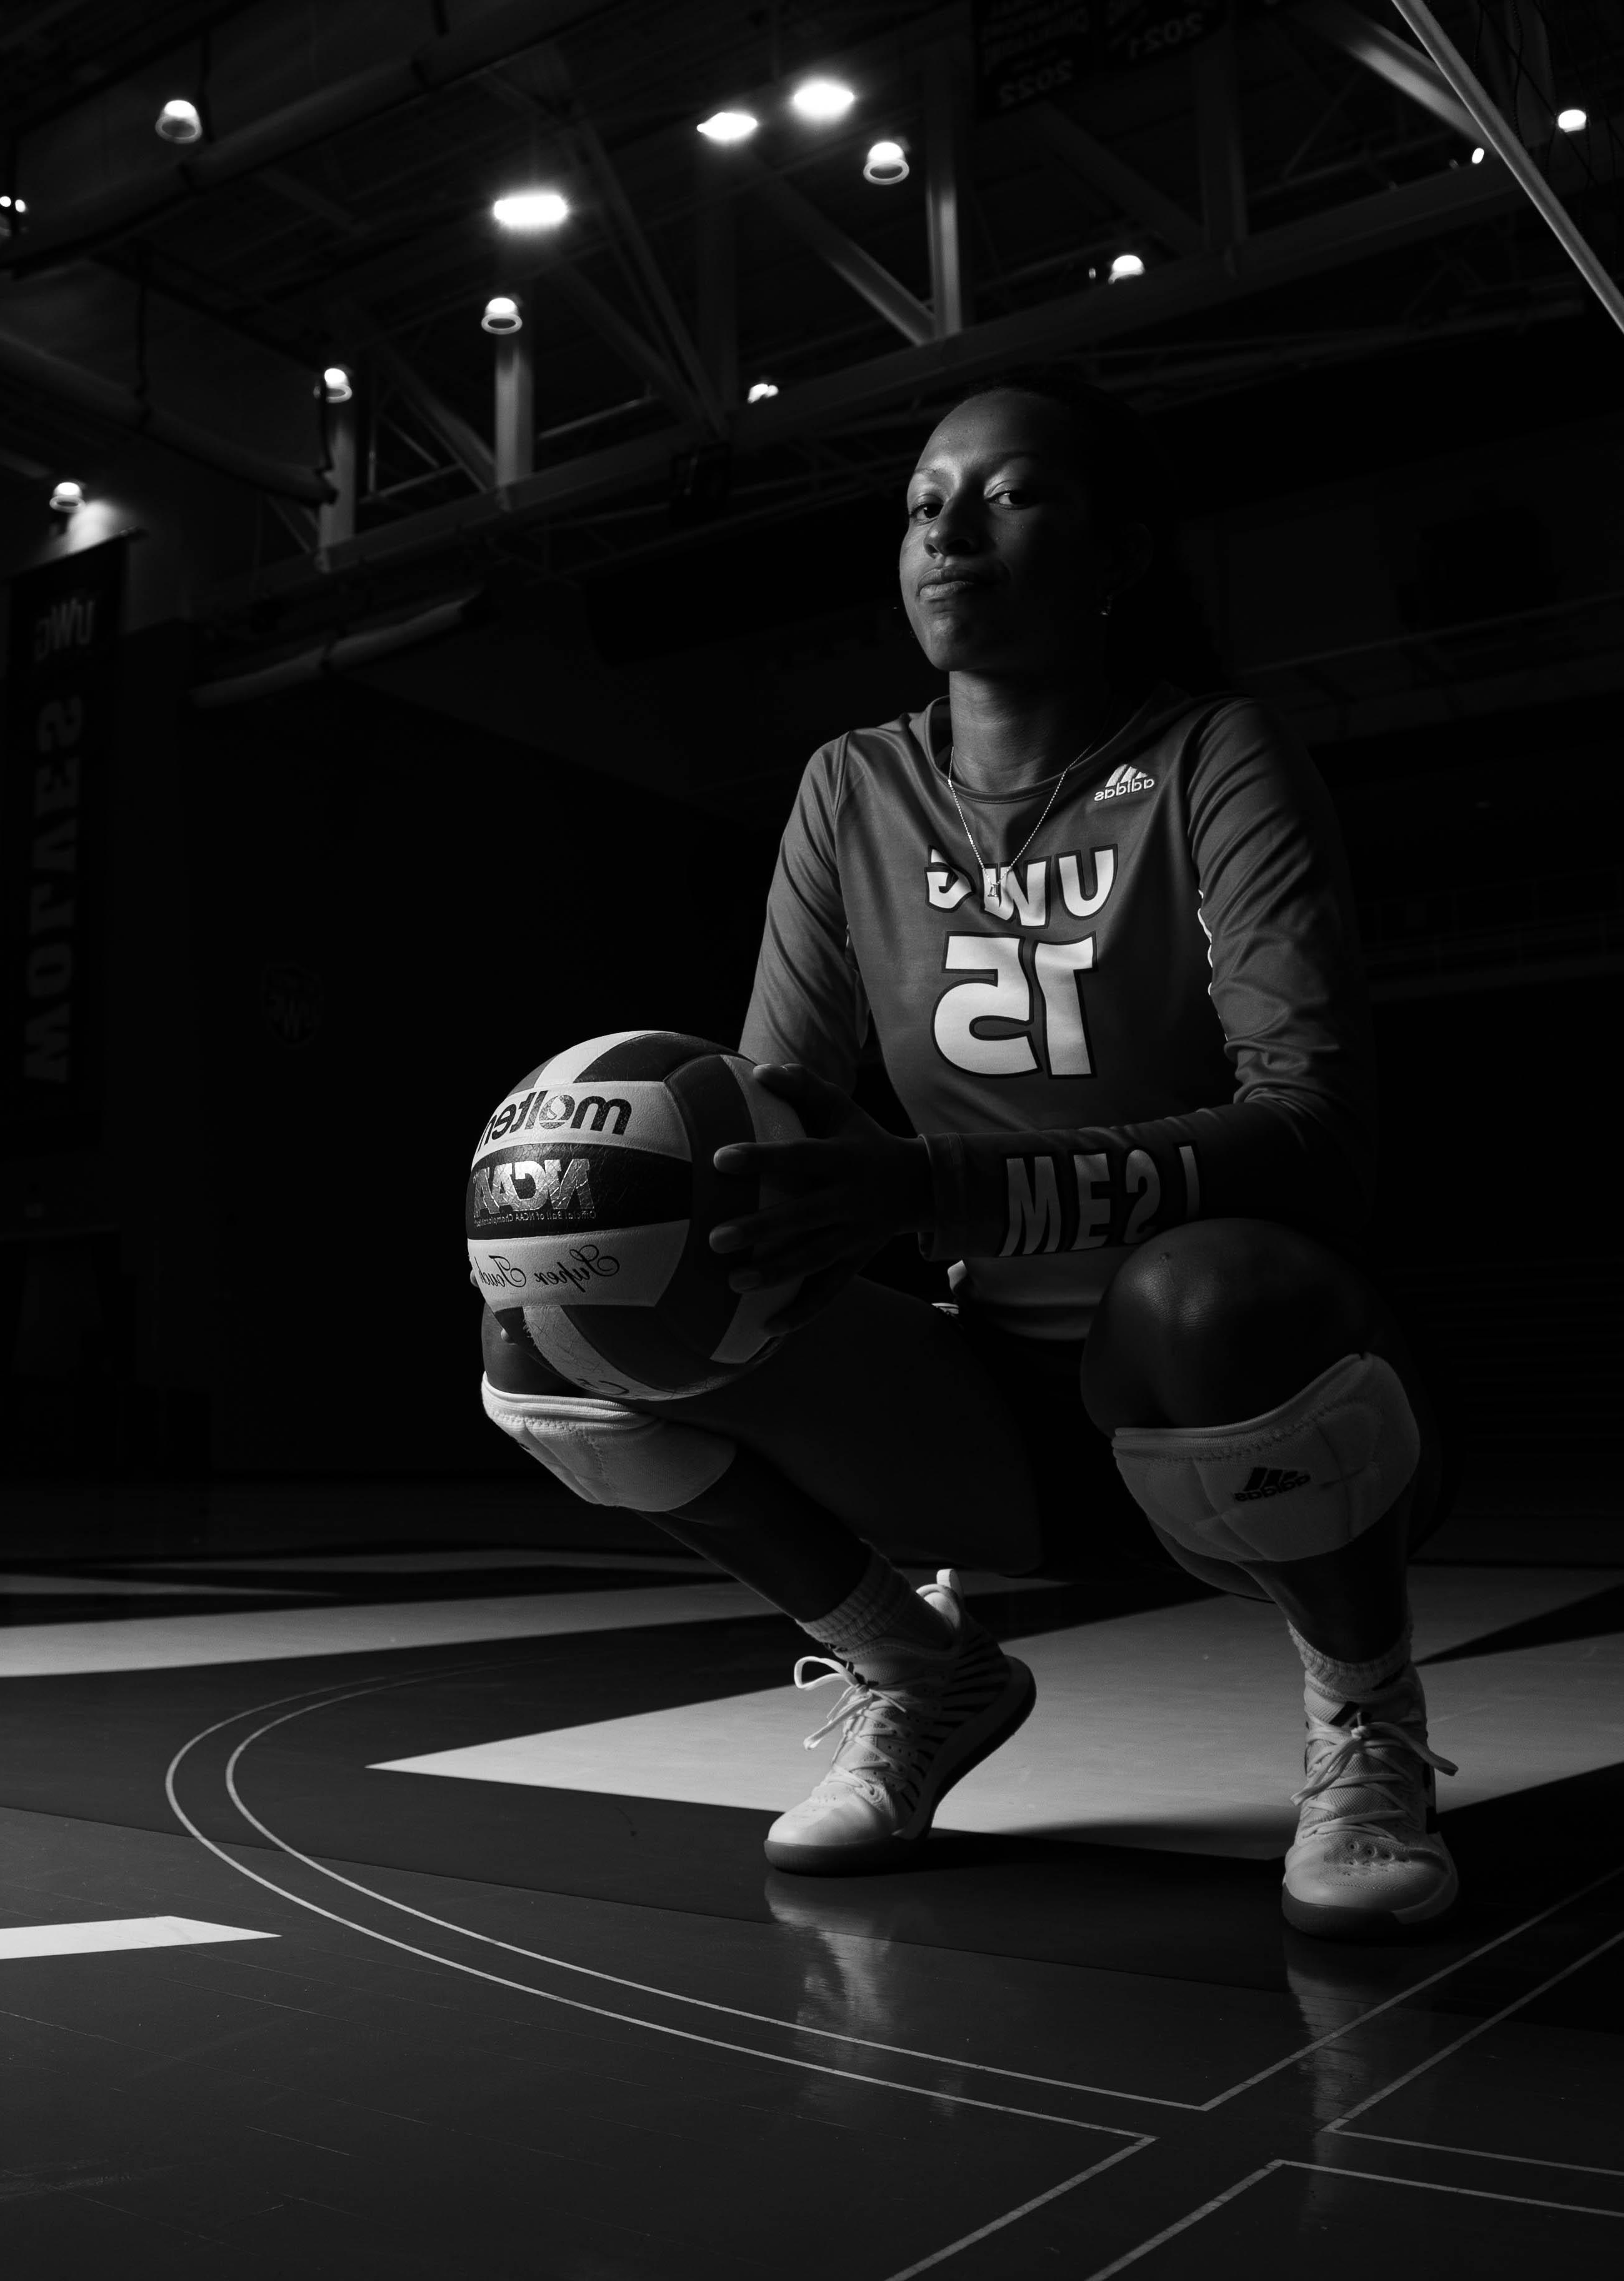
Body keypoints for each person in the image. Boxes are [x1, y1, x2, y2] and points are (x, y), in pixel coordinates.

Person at [478, 367, 1457, 1940]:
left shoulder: (1215, 756)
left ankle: (1364, 1716)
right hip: (984, 1416)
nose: (954, 532)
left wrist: (933, 1185)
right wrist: (644, 1191)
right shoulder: (851, 788)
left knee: (1207, 1298)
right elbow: (778, 1111)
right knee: (556, 1326)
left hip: (1239, 1388)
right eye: (927, 504)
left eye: (1011, 497)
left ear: (1121, 551)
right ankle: (920, 1671)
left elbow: (1319, 1135)